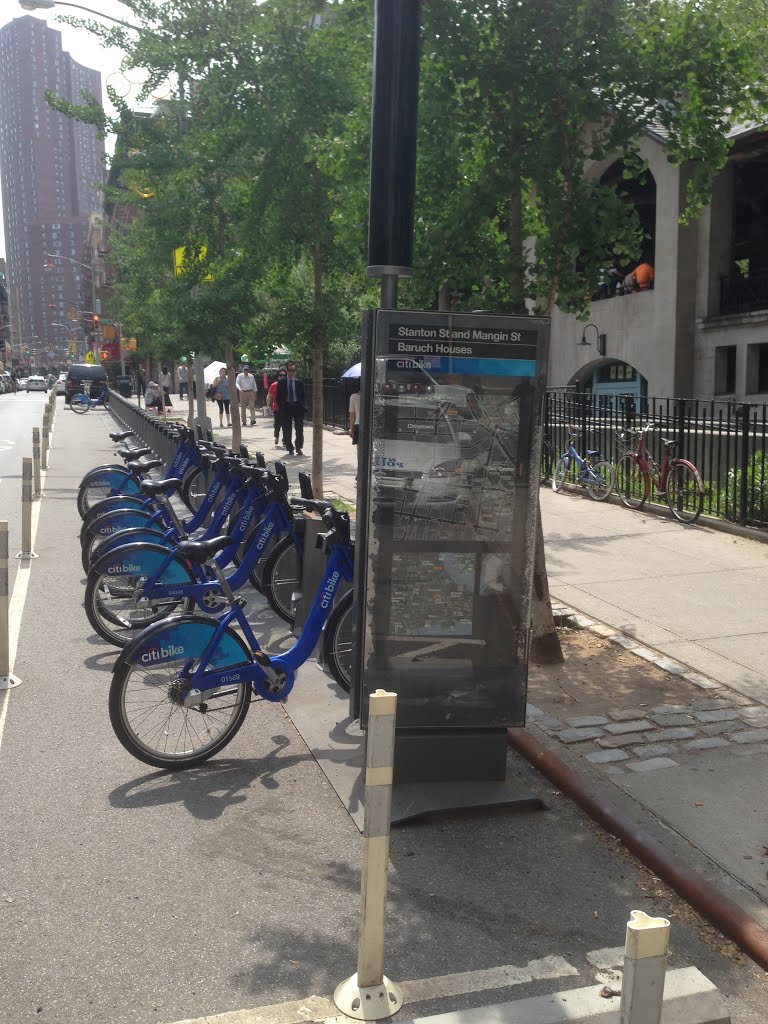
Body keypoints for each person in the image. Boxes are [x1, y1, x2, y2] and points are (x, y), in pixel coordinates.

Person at [276, 361, 306, 455]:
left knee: (299, 428)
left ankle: (298, 447)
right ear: (287, 371)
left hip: (297, 407)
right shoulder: (281, 382)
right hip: (286, 407)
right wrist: (281, 407)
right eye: (290, 370)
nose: (291, 372)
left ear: (295, 371)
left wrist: (303, 406)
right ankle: (290, 447)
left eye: (293, 370)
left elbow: (303, 395)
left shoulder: (299, 382)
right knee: (287, 429)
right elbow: (278, 396)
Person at [267, 370, 285, 447]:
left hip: (286, 408)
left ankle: (285, 440)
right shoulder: (274, 385)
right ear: (278, 377)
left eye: (284, 375)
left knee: (286, 425)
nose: (282, 377)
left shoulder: (288, 385)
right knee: (277, 424)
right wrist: (268, 406)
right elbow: (269, 396)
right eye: (281, 375)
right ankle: (277, 436)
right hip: (277, 408)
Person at [348, 383, 360, 481]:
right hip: (369, 425)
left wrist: (351, 429)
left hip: (358, 425)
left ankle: (359, 472)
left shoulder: (354, 397)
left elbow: (352, 415)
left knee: (360, 452)